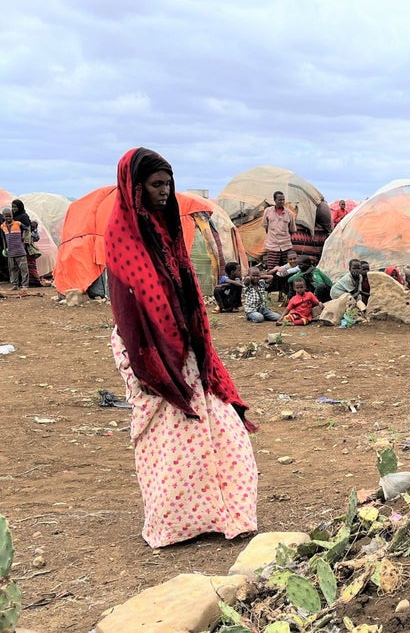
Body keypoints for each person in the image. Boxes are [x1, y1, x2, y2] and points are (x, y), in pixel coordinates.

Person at [105, 147, 258, 548]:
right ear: (134, 188)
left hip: (186, 348)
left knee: (221, 429)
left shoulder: (167, 229)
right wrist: (155, 362)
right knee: (170, 441)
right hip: (149, 352)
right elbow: (131, 307)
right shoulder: (123, 238)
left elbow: (181, 285)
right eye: (157, 184)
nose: (165, 192)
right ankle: (174, 525)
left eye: (168, 184)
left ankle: (228, 513)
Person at [9, 199, 42, 287]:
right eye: (12, 207)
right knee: (18, 264)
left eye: (15, 207)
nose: (14, 208)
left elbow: (27, 230)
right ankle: (20, 282)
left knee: (27, 264)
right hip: (16, 243)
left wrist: (24, 242)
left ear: (20, 207)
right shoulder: (13, 217)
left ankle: (32, 282)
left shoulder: (24, 216)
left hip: (24, 244)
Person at [261, 190, 296, 271]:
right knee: (272, 269)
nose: (282, 201)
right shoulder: (268, 211)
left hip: (286, 245)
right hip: (272, 246)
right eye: (280, 200)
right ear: (275, 200)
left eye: (283, 199)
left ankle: (286, 284)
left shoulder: (289, 213)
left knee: (288, 269)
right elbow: (265, 226)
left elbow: (292, 229)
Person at [1, 207, 29, 290]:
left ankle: (25, 285)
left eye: (10, 216)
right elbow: (3, 238)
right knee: (12, 269)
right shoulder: (2, 226)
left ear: (12, 216)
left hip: (20, 250)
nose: (8, 218)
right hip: (10, 251)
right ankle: (15, 285)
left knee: (24, 269)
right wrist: (5, 248)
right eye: (6, 216)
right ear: (3, 217)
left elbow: (27, 229)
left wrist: (24, 238)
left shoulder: (18, 223)